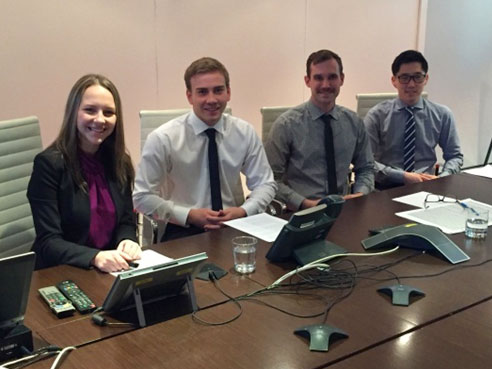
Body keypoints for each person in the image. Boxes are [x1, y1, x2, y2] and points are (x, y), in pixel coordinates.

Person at [133, 57, 276, 240]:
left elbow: (265, 183)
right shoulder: (163, 139)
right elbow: (142, 197)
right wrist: (189, 215)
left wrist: (244, 211)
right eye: (202, 92)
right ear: (189, 96)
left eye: (218, 90)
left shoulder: (244, 132)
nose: (211, 99)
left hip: (235, 224)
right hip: (183, 229)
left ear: (228, 92)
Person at [27, 74, 141, 272]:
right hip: (62, 270)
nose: (100, 120)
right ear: (74, 113)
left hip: (109, 270)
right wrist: (94, 257)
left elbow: (126, 222)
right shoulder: (49, 164)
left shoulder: (120, 162)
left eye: (108, 112)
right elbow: (48, 241)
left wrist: (128, 240)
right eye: (90, 110)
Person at [265, 49, 375, 211]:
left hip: (345, 210)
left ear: (341, 79)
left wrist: (359, 195)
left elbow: (366, 168)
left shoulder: (354, 122)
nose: (326, 85)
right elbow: (271, 180)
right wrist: (304, 203)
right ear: (307, 81)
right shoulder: (286, 125)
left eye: (332, 77)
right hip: (300, 212)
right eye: (318, 78)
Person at [364, 50, 463, 189]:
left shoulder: (442, 115)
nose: (411, 84)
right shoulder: (376, 116)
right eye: (404, 78)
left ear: (426, 78)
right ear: (394, 81)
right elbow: (366, 163)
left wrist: (443, 178)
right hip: (385, 189)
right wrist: (403, 176)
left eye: (417, 77)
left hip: (427, 188)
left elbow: (455, 156)